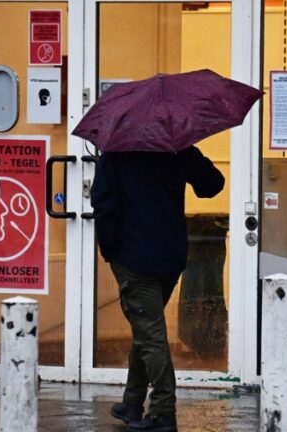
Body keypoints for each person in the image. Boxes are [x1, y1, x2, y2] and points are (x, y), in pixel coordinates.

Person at [91, 146, 225, 432]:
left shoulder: (116, 153)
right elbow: (212, 184)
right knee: (146, 329)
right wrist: (190, 154)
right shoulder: (176, 148)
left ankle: (164, 412)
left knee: (150, 336)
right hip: (170, 256)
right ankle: (132, 401)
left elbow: (104, 205)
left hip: (133, 260)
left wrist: (110, 250)